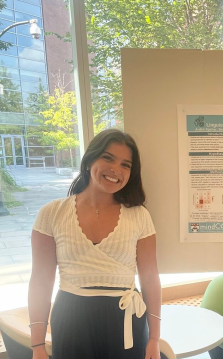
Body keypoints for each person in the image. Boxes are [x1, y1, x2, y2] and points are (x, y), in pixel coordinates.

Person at [28, 129, 161, 359]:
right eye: (108, 158)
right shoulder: (52, 213)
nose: (115, 170)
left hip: (125, 321)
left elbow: (150, 278)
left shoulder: (139, 216)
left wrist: (154, 339)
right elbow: (40, 280)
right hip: (71, 319)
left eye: (125, 165)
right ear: (90, 159)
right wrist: (37, 345)